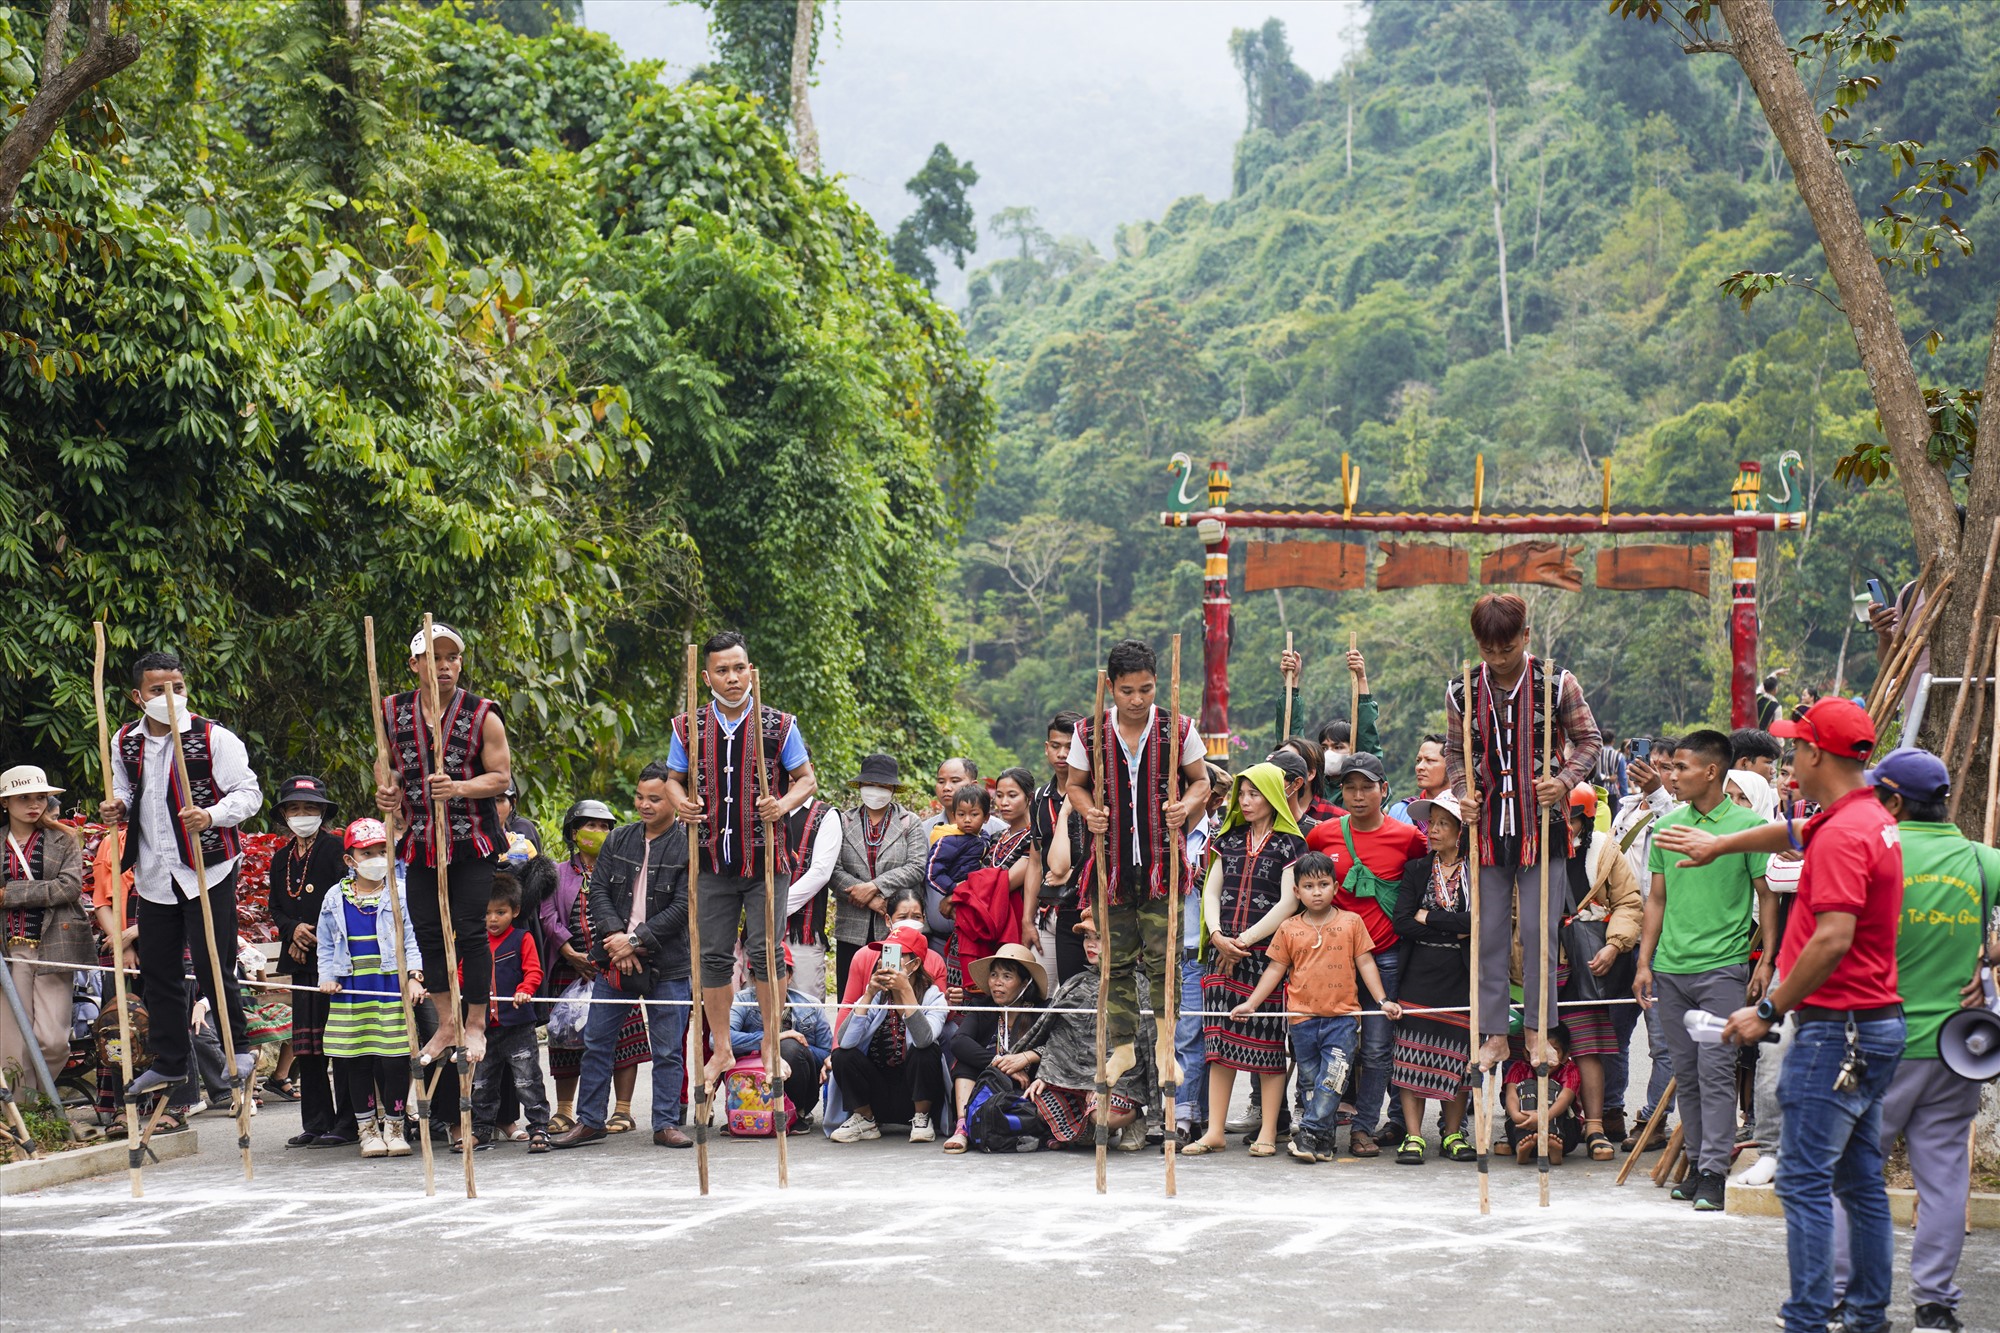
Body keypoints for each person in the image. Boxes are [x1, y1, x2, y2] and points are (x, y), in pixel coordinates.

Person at [1666, 698, 1902, 1333]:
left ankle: (1807, 1317)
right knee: (1858, 1182)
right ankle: (1864, 1315)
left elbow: (1831, 937)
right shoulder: (1859, 815)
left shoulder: (1847, 834)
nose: (1789, 759)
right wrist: (1721, 845)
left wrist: (1766, 1009)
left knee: (1801, 1180)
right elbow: (1788, 833)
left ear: (1816, 753)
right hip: (1871, 1021)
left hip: (1837, 1028)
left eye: (1796, 747)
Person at [1829, 749, 1999, 1333]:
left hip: (1876, 1041)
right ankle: (1935, 1305)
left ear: (1895, 801)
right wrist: (1985, 958)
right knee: (1946, 1180)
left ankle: (1842, 1295)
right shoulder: (1983, 862)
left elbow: (1833, 939)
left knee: (1852, 1175)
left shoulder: (1874, 852)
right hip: (1958, 1049)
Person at [1444, 593, 1603, 1076]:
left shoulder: (1557, 683)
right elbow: (1454, 752)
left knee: (1537, 930)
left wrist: (1564, 781)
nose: (1497, 659)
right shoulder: (1462, 690)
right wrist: (1460, 791)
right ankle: (1494, 1034)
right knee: (1487, 934)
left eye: (1507, 649)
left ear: (1526, 638)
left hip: (1543, 827)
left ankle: (1537, 1030)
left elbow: (1589, 741)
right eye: (1488, 650)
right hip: (1486, 830)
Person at [105, 651, 264, 1105]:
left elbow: (249, 793)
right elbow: (125, 787)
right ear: (138, 697)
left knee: (216, 964)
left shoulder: (214, 737)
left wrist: (211, 815)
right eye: (158, 690)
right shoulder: (124, 742)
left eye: (177, 687)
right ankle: (170, 1061)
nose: (170, 697)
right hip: (155, 870)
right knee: (159, 971)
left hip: (207, 869)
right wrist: (117, 805)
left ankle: (239, 1050)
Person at [667, 630, 818, 1093]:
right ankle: (722, 1049)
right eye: (722, 669)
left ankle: (772, 1045)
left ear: (750, 669)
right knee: (711, 957)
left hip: (766, 859)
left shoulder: (778, 723)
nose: (733, 678)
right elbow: (673, 779)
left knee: (765, 953)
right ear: (707, 674)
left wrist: (782, 804)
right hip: (711, 860)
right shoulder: (687, 726)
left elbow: (806, 781)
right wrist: (680, 802)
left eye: (740, 668)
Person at [1634, 729, 1777, 1211]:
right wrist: (1644, 962)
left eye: (1680, 768)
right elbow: (1656, 898)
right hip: (1670, 970)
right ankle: (1698, 1163)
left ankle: (1714, 1171)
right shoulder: (1668, 827)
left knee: (1716, 1072)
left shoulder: (1746, 827)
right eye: (1670, 768)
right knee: (1688, 1073)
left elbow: (1767, 895)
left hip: (1723, 970)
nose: (1671, 776)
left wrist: (1768, 962)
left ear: (1711, 771)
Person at [1065, 639, 1209, 1107]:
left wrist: (1184, 806)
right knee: (1116, 962)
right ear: (1111, 687)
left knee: (1166, 960)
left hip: (1161, 868)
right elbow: (1075, 785)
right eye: (1127, 691)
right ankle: (1124, 1047)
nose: (1137, 700)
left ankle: (1167, 1043)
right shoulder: (1088, 732)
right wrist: (1089, 812)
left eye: (1146, 689)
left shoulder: (1178, 728)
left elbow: (1202, 781)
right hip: (1110, 870)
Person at [375, 620, 511, 1066]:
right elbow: (388, 767)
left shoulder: (482, 713)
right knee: (429, 934)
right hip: (419, 841)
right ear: (415, 664)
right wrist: (389, 788)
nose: (445, 665)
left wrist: (457, 788)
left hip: (470, 841)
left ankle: (474, 1025)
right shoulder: (391, 711)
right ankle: (446, 1024)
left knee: (470, 932)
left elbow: (501, 778)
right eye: (434, 658)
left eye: (452, 657)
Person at [1220, 849, 1396, 1163]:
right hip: (1301, 1021)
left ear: (1335, 887)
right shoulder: (1288, 928)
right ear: (1296, 891)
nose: (1317, 892)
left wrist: (1382, 1000)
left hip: (1341, 1019)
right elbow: (1274, 970)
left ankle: (1310, 1132)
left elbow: (1366, 963)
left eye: (1323, 884)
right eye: (1309, 886)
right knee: (1311, 1084)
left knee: (1334, 1078)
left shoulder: (1351, 923)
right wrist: (1251, 1003)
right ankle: (1322, 1144)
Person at [551, 765, 693, 1150]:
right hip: (614, 959)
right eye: (639, 796)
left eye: (654, 798)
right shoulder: (618, 840)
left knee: (668, 1048)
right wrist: (617, 939)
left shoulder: (688, 844)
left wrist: (635, 941)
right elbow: (598, 893)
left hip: (670, 963)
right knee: (597, 1041)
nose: (643, 805)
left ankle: (664, 1123)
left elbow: (684, 906)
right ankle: (590, 1121)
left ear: (675, 800)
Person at [1302, 751, 1426, 1155]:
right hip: (1330, 957)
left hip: (1384, 955)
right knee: (1319, 1042)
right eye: (1350, 788)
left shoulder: (1408, 839)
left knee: (1376, 1047)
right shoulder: (1322, 835)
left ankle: (1363, 1127)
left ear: (1383, 790)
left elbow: (1428, 876)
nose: (1357, 796)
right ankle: (1315, 1122)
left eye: (1366, 787)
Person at [1185, 762, 1307, 1158]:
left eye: (1255, 793)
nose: (1246, 800)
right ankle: (1215, 1131)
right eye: (1242, 793)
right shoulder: (1228, 838)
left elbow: (1290, 900)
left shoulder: (1291, 843)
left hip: (1267, 957)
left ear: (1273, 796)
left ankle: (1269, 1131)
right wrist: (1218, 935)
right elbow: (1210, 889)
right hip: (1221, 956)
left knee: (1268, 1044)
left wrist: (1246, 939)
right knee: (1218, 1042)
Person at [314, 819, 421, 1159]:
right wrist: (327, 976)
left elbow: (413, 938)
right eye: (367, 852)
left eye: (382, 851)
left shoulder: (401, 892)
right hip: (351, 989)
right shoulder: (335, 897)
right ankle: (367, 1131)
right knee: (356, 1060)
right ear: (350, 860)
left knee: (395, 1060)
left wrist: (415, 976)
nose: (376, 857)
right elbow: (326, 945)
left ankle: (395, 1125)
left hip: (389, 985)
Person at [1000, 920, 1158, 1151]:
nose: (1090, 944)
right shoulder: (1075, 984)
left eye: (1098, 937)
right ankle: (1089, 1130)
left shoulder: (1139, 987)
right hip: (1072, 1080)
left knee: (1103, 1114)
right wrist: (1049, 1074)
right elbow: (1059, 1039)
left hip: (1122, 1080)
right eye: (1086, 937)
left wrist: (1102, 1080)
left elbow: (1145, 1052)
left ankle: (1134, 1119)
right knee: (1038, 1105)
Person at [264, 774, 359, 1148]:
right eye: (295, 808)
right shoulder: (281, 858)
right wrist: (294, 931)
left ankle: (351, 1121)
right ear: (285, 814)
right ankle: (317, 1121)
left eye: (310, 808)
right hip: (300, 959)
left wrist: (315, 932)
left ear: (322, 812)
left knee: (342, 1042)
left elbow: (348, 893)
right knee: (309, 1045)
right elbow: (276, 906)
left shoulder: (335, 850)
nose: (302, 814)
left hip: (334, 958)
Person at [540, 799, 644, 1133]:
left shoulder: (621, 870)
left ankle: (623, 1110)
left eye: (604, 827)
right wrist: (568, 951)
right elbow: (547, 914)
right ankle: (565, 1109)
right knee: (565, 1039)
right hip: (570, 966)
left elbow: (632, 911)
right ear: (573, 831)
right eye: (590, 826)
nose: (598, 832)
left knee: (625, 1038)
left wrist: (615, 952)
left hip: (616, 963)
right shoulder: (556, 873)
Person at [1552, 785, 1642, 1161]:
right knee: (1527, 1045)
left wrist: (1614, 944)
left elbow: (1629, 901)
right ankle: (1526, 1120)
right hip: (1541, 961)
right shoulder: (1529, 850)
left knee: (1591, 1047)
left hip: (1589, 962)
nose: (1564, 828)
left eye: (1570, 820)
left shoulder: (1605, 851)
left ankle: (1596, 1125)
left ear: (1585, 819)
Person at [1390, 789, 1477, 1166]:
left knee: (1456, 1058)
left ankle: (1454, 1132)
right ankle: (1413, 1136)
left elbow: (1477, 924)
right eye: (1432, 823)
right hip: (1419, 974)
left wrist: (1432, 918)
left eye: (1443, 824)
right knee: (1411, 1054)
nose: (1434, 830)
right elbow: (1404, 922)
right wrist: (1450, 926)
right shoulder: (1417, 869)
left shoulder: (1477, 871)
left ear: (1462, 830)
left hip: (1459, 975)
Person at [1610, 735, 1680, 1150]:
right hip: (1621, 934)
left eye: (1667, 765)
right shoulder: (1622, 811)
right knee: (1613, 1034)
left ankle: (1654, 1117)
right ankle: (1611, 1113)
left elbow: (1672, 822)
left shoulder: (1683, 812)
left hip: (1661, 937)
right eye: (1650, 763)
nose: (1655, 770)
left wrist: (1656, 792)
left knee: (1662, 1040)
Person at [0, 766, 88, 1080]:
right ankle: (29, 1119)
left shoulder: (62, 839)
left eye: (40, 796)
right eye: (23, 797)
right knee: (13, 1048)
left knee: (53, 1041)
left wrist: (8, 894)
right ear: (5, 803)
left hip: (55, 946)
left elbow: (69, 887)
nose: (34, 804)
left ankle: (41, 1102)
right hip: (11, 950)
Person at [826, 923, 950, 1143]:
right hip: (878, 1091)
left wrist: (905, 992)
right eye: (886, 954)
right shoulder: (877, 994)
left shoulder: (934, 997)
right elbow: (844, 1042)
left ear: (915, 964)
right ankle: (865, 1119)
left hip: (916, 1092)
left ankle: (922, 1118)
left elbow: (923, 1040)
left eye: (897, 955)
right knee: (842, 1055)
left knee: (927, 1050)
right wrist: (869, 994)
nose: (887, 961)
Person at [828, 754, 929, 992]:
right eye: (870, 785)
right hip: (852, 923)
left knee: (891, 990)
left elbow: (916, 866)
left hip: (895, 923)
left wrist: (873, 887)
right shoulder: (843, 821)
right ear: (861, 786)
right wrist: (870, 900)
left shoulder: (909, 822)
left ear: (893, 789)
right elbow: (832, 869)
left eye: (883, 786)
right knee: (850, 992)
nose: (876, 791)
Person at [944, 770, 1039, 1004]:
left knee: (997, 996)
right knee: (961, 999)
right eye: (999, 795)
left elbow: (1005, 882)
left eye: (1012, 795)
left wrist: (956, 896)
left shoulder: (1034, 838)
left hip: (1005, 928)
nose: (1004, 802)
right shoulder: (995, 837)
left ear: (1029, 798)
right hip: (974, 927)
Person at [943, 942, 1047, 1152]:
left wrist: (1027, 1057)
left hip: (1027, 1087)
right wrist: (999, 1063)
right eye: (994, 975)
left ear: (1025, 983)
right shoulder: (984, 1007)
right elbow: (959, 1041)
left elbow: (1058, 1045)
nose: (997, 983)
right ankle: (963, 1125)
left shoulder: (1042, 1011)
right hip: (988, 1086)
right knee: (965, 1059)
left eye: (1007, 976)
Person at [730, 943, 836, 1133]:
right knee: (782, 1043)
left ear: (789, 976)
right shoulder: (742, 1000)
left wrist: (797, 1048)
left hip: (800, 1079)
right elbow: (719, 1040)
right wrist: (771, 1039)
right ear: (753, 978)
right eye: (763, 974)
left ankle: (796, 1113)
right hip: (750, 1085)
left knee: (788, 1046)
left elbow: (827, 1052)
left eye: (778, 973)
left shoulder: (810, 1004)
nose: (771, 980)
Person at [1031, 712, 1090, 982]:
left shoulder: (1097, 795)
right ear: (1047, 748)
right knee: (1053, 995)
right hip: (1050, 911)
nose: (1062, 753)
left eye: (1070, 747)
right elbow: (1035, 861)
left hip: (1090, 909)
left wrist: (1071, 876)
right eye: (1056, 746)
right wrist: (1026, 919)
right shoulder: (1040, 798)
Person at [836, 888, 946, 1032]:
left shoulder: (935, 960)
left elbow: (940, 1015)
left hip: (919, 1038)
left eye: (917, 917)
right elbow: (849, 1005)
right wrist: (836, 1048)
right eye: (902, 917)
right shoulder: (864, 955)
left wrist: (949, 1001)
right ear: (888, 920)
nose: (910, 923)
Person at [780, 795, 842, 1001]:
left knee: (805, 1010)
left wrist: (774, 909)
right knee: (756, 1011)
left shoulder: (825, 815)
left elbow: (821, 873)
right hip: (759, 932)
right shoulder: (762, 809)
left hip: (801, 933)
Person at [925, 783, 993, 963]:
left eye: (974, 814)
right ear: (954, 816)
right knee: (960, 951)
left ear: (986, 817)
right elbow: (933, 872)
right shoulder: (949, 840)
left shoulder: (984, 838)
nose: (967, 820)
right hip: (957, 902)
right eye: (961, 815)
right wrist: (954, 888)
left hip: (974, 902)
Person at [1503, 1023, 1581, 1163]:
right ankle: (1522, 1148)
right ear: (1527, 1053)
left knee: (1550, 1087)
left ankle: (1554, 1145)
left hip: (1564, 1133)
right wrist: (1517, 1115)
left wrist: (1542, 1118)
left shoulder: (1569, 1070)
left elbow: (1565, 1098)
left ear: (1564, 1056)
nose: (1545, 1059)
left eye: (1553, 1051)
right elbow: (1511, 1095)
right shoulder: (1519, 1068)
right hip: (1523, 1125)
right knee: (1527, 1086)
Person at [921, 758, 1002, 840]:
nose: (946, 788)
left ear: (973, 785)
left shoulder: (998, 829)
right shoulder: (923, 830)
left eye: (955, 781)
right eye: (941, 782)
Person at [1388, 735, 1449, 831]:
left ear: (1451, 766)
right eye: (1418, 761)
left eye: (1430, 760)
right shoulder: (1400, 812)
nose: (1419, 767)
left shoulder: (1464, 812)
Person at [494, 784, 543, 854]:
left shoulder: (525, 844)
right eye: (485, 800)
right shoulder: (473, 844)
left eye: (498, 800)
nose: (492, 806)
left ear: (512, 803)